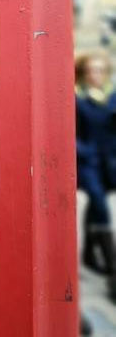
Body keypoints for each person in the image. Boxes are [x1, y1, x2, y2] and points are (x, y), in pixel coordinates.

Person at [76, 51, 116, 304]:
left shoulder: (112, 98)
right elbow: (72, 132)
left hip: (109, 162)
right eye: (92, 70)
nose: (96, 75)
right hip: (88, 162)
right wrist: (83, 151)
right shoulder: (78, 99)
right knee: (100, 206)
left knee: (96, 207)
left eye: (100, 70)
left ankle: (90, 252)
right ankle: (113, 271)